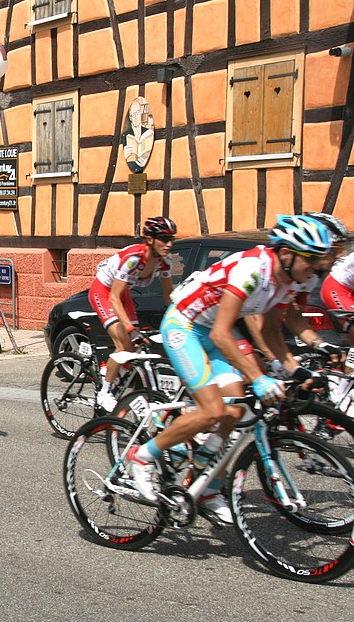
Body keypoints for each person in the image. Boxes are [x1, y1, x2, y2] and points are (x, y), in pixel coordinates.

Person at [130, 214, 334, 524]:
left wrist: (294, 369)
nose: (316, 268)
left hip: (212, 330)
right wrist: (259, 377)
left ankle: (208, 484)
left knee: (237, 409)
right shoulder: (253, 269)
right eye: (311, 259)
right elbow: (221, 334)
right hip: (184, 325)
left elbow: (271, 332)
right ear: (287, 253)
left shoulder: (289, 279)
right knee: (212, 410)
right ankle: (142, 456)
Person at [88, 216, 177, 411]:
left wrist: (179, 321)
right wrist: (130, 329)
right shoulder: (134, 259)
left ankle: (111, 370)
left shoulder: (165, 261)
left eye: (172, 239)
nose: (169, 244)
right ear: (150, 239)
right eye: (163, 238)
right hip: (104, 292)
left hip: (123, 292)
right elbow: (114, 297)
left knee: (134, 348)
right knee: (124, 344)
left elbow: (168, 296)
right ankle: (104, 392)